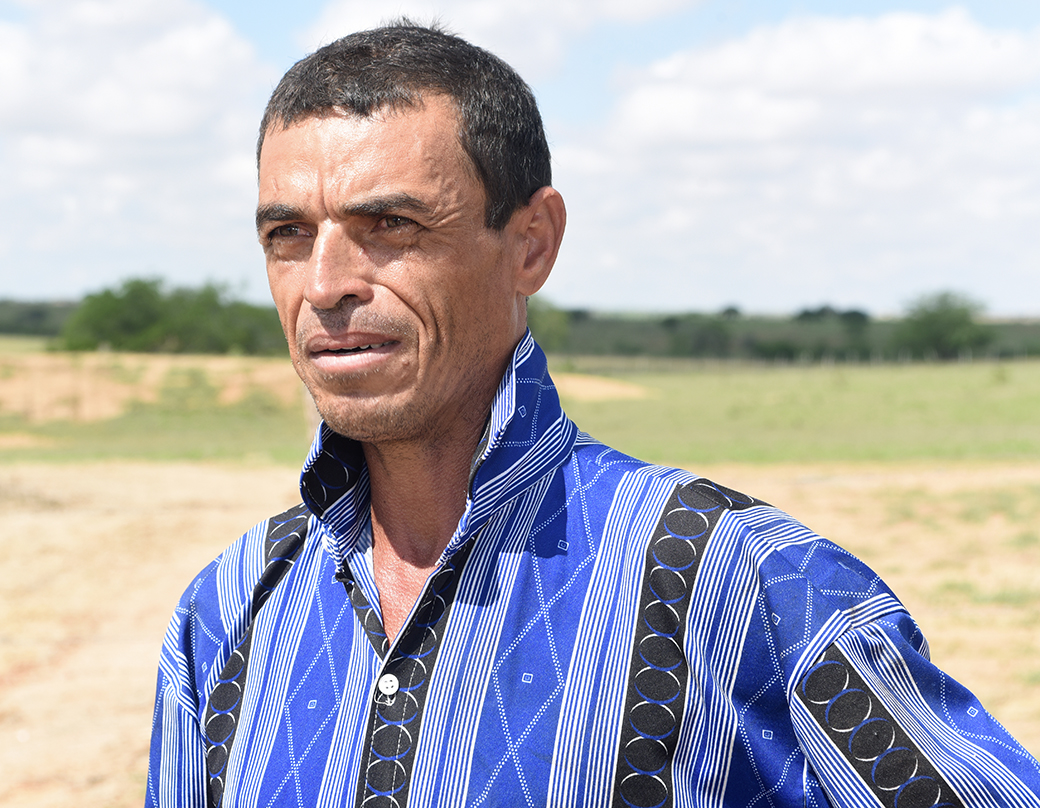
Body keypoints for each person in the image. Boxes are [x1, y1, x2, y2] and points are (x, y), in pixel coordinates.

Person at [146, 21, 1040, 808]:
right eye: (288, 235)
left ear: (532, 243)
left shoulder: (742, 588)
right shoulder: (226, 615)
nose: (325, 284)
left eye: (391, 226)